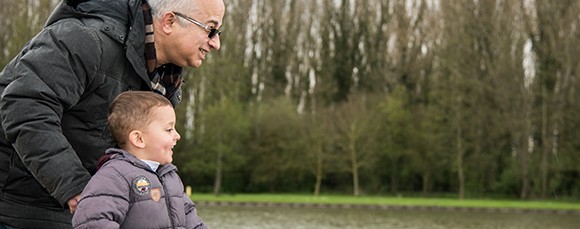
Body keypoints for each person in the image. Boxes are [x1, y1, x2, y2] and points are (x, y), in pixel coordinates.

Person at [0, 0, 224, 228]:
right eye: (211, 29)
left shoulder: (166, 81)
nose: (216, 43)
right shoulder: (84, 40)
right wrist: (77, 189)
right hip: (18, 209)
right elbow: (24, 105)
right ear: (169, 21)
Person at [72, 91, 206, 229]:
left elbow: (193, 222)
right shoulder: (115, 175)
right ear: (139, 139)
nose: (177, 135)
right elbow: (92, 222)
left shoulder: (171, 177)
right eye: (169, 129)